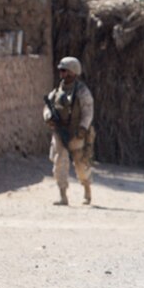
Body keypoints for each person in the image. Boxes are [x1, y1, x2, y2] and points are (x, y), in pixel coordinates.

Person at [43, 56, 94, 206]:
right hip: (60, 131)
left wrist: (83, 128)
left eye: (64, 71)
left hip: (76, 132)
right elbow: (47, 106)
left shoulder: (82, 91)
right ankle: (62, 195)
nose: (62, 74)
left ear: (73, 72)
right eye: (61, 71)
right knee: (60, 162)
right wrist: (48, 116)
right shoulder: (58, 90)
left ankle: (87, 189)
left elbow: (88, 111)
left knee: (81, 164)